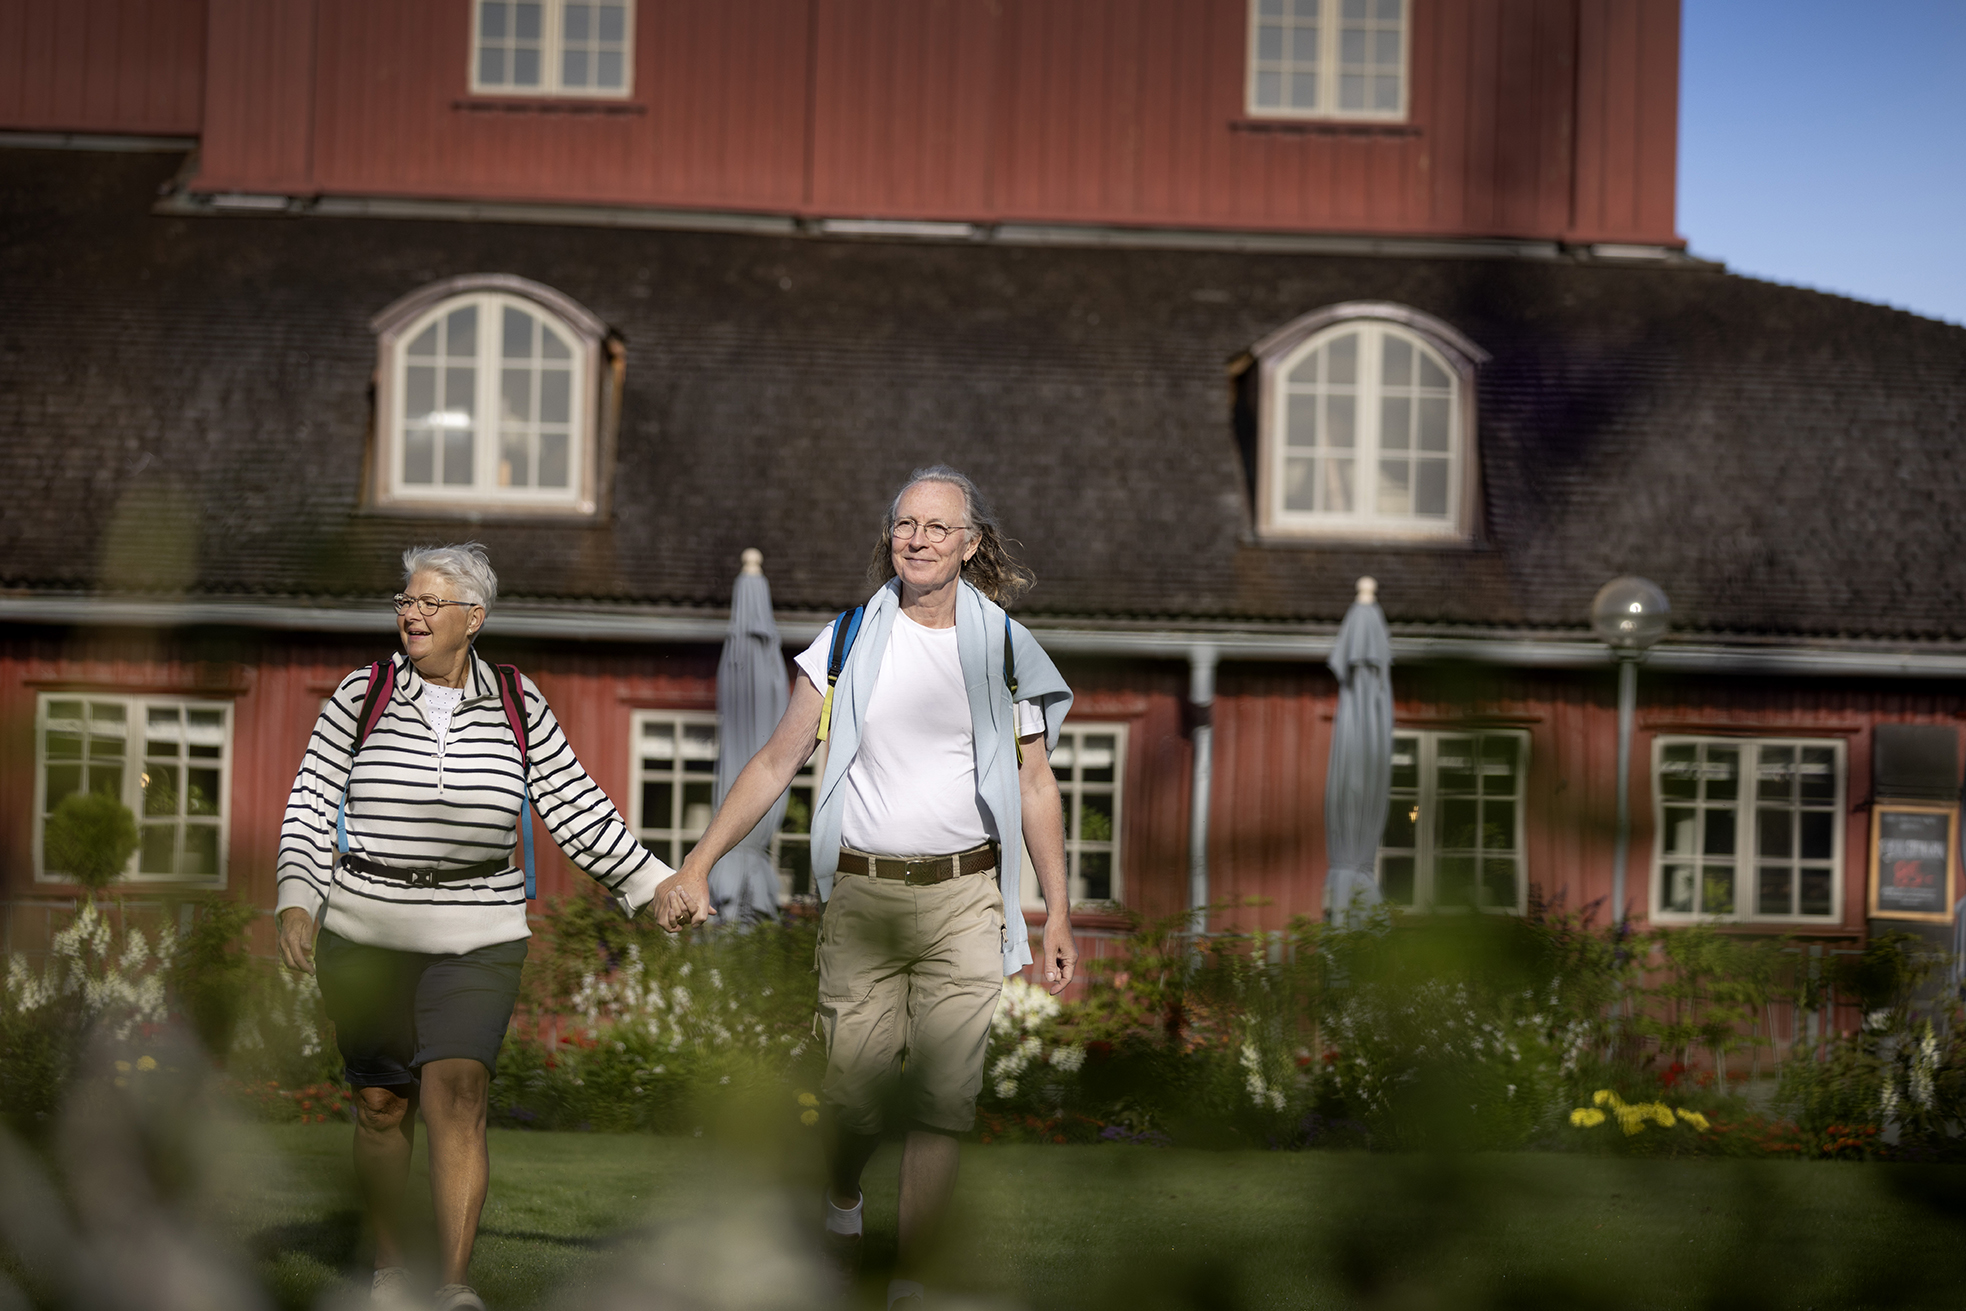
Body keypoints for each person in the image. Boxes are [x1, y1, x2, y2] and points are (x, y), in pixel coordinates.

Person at [654, 466, 1077, 1309]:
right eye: (904, 523)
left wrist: (1057, 908)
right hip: (863, 892)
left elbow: (1035, 784)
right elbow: (776, 760)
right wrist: (697, 862)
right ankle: (842, 1190)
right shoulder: (844, 641)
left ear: (970, 544)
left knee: (943, 1100)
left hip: (967, 897)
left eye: (936, 526)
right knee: (854, 1092)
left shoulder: (1002, 648)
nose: (917, 539)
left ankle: (911, 1279)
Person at [275, 543, 666, 1311]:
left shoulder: (518, 701)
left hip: (479, 928)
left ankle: (453, 1283)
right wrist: (297, 895)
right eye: (406, 600)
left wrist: (652, 884)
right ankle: (390, 1270)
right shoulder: (362, 693)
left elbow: (575, 805)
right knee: (382, 1103)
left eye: (430, 602)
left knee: (456, 1094)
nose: (411, 614)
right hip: (367, 927)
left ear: (474, 617)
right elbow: (312, 800)